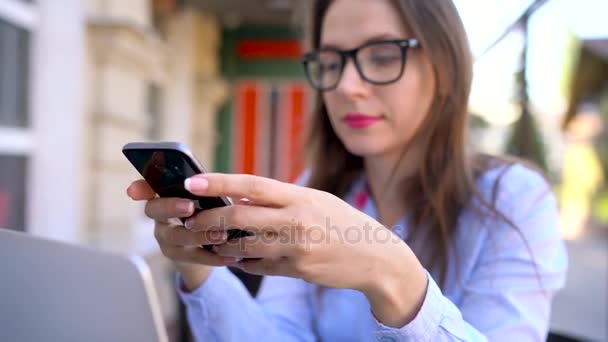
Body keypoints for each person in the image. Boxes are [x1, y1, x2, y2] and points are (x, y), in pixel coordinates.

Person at [127, 0, 568, 340]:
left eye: (381, 56)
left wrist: (393, 276)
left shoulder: (512, 201)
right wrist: (199, 265)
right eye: (331, 62)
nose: (345, 86)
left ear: (446, 68)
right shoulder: (315, 189)